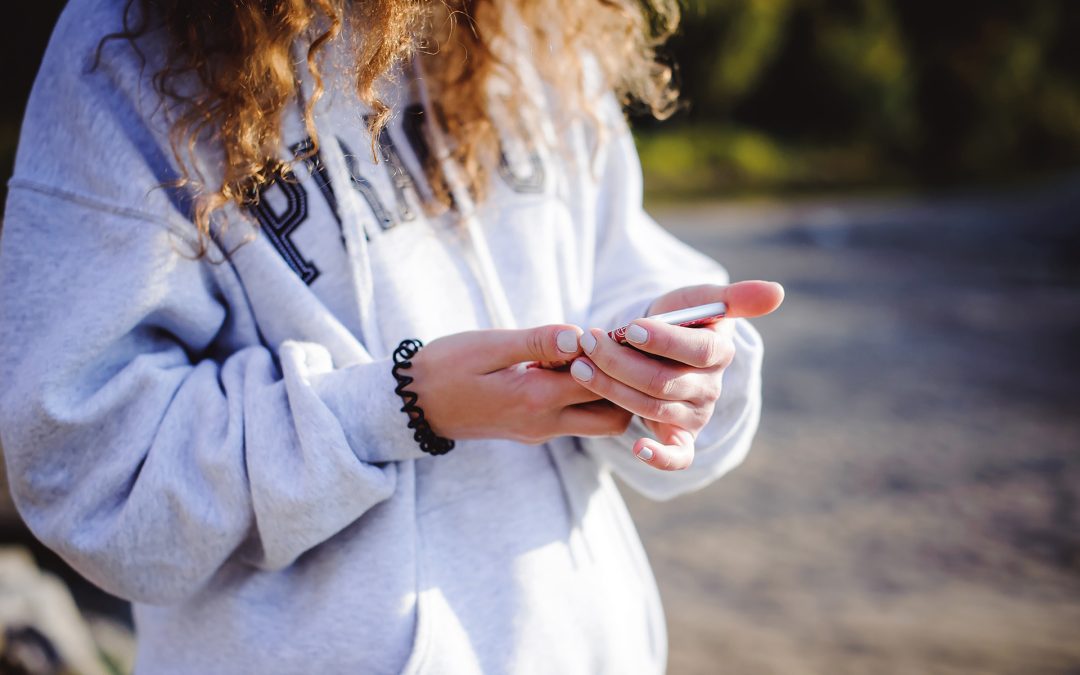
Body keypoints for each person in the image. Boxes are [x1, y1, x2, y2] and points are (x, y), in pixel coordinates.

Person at [0, 0, 784, 672]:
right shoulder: (127, 48)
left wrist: (667, 371)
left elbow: (610, 259)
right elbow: (91, 468)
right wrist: (396, 406)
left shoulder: (539, 19)